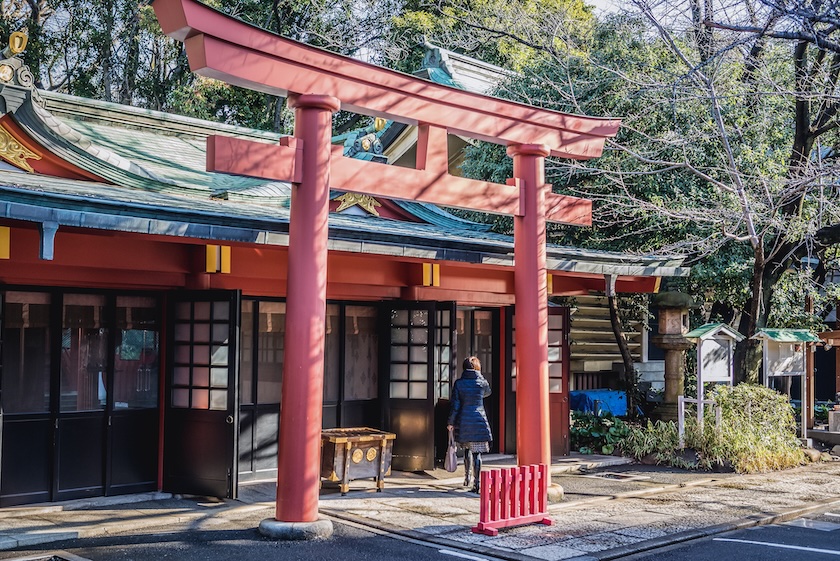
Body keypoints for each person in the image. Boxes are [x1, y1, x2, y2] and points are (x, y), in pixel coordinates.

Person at [447, 356, 492, 494]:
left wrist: (451, 422)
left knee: (466, 449)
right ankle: (477, 483)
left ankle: (467, 477)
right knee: (477, 453)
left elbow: (455, 405)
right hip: (479, 420)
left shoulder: (459, 383)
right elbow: (488, 392)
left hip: (464, 420)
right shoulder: (482, 382)